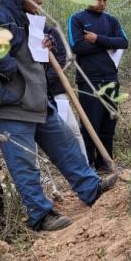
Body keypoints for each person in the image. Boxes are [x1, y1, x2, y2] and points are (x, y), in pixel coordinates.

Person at [0, 0, 117, 232]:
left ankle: (91, 188)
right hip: (11, 106)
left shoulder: (27, 19)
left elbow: (29, 55)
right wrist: (5, 68)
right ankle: (40, 215)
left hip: (39, 101)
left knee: (67, 147)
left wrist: (44, 41)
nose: (40, 0)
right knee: (25, 164)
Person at [67, 0, 128, 172]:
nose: (102, 3)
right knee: (89, 124)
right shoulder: (76, 19)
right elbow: (77, 46)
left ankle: (105, 163)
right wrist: (108, 44)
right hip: (88, 80)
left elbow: (123, 42)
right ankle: (88, 165)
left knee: (109, 123)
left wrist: (97, 39)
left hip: (111, 78)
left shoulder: (112, 20)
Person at [44, 23, 87, 160]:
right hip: (29, 94)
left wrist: (44, 80)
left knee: (73, 130)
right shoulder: (14, 30)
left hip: (55, 90)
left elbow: (61, 58)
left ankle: (86, 169)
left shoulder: (50, 30)